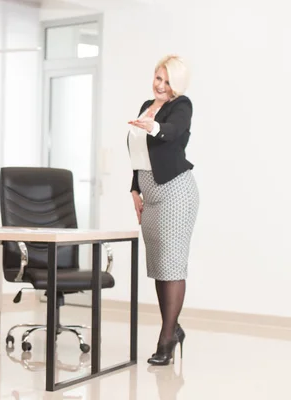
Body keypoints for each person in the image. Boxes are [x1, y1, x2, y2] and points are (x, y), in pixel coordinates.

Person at [126, 55, 199, 366]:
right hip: (150, 194)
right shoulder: (146, 104)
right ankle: (173, 328)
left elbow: (173, 131)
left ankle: (166, 339)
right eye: (158, 78)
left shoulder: (181, 106)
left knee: (172, 265)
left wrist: (154, 126)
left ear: (177, 85)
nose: (160, 85)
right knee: (158, 266)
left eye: (167, 81)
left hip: (175, 192)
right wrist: (134, 188)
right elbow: (138, 152)